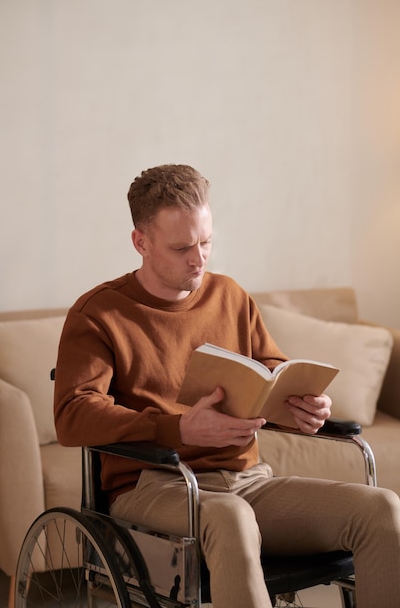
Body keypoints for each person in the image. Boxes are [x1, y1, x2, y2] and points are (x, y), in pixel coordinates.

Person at [54, 164, 400, 608]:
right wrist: (177, 429)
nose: (199, 258)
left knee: (381, 509)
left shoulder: (230, 296)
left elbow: (270, 367)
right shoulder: (99, 314)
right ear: (141, 242)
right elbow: (72, 416)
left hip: (247, 481)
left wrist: (299, 403)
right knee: (231, 516)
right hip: (156, 486)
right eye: (182, 248)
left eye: (206, 241)